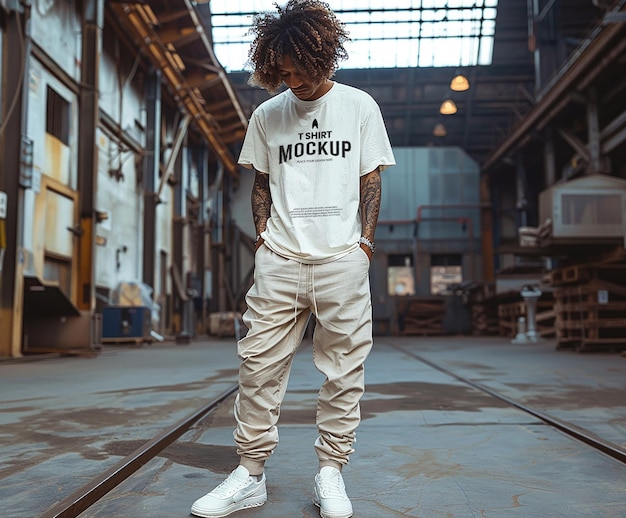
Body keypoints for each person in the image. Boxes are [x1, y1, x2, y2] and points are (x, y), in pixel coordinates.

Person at [190, 1, 395, 517]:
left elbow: (371, 182)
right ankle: (250, 475)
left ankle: (331, 473)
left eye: (300, 69)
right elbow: (260, 184)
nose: (293, 80)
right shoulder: (267, 114)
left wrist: (363, 247)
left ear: (323, 55)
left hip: (342, 259)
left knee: (344, 370)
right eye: (281, 72)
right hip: (280, 258)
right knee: (258, 365)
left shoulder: (359, 107)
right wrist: (264, 239)